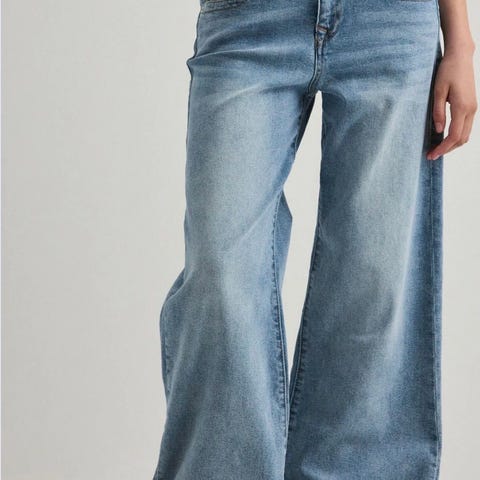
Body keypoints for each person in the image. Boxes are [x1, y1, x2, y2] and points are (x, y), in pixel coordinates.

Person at [152, 0, 477, 478]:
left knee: (373, 280)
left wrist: (461, 43)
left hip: (391, 23)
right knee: (221, 277)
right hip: (250, 19)